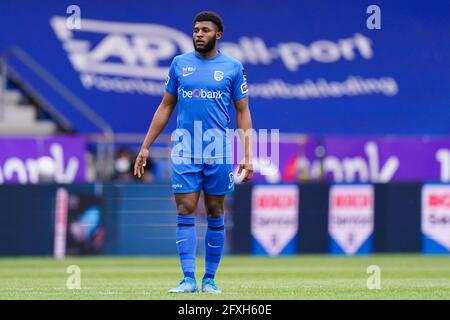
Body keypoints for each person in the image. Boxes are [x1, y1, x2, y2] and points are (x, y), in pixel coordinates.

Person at [134, 11, 253, 294]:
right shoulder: (179, 64)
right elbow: (165, 106)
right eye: (196, 30)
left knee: (215, 211)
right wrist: (145, 145)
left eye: (205, 30)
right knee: (185, 209)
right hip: (185, 148)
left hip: (218, 151)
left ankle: (209, 280)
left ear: (218, 35)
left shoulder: (233, 67)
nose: (199, 34)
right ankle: (188, 279)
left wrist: (248, 154)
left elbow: (243, 111)